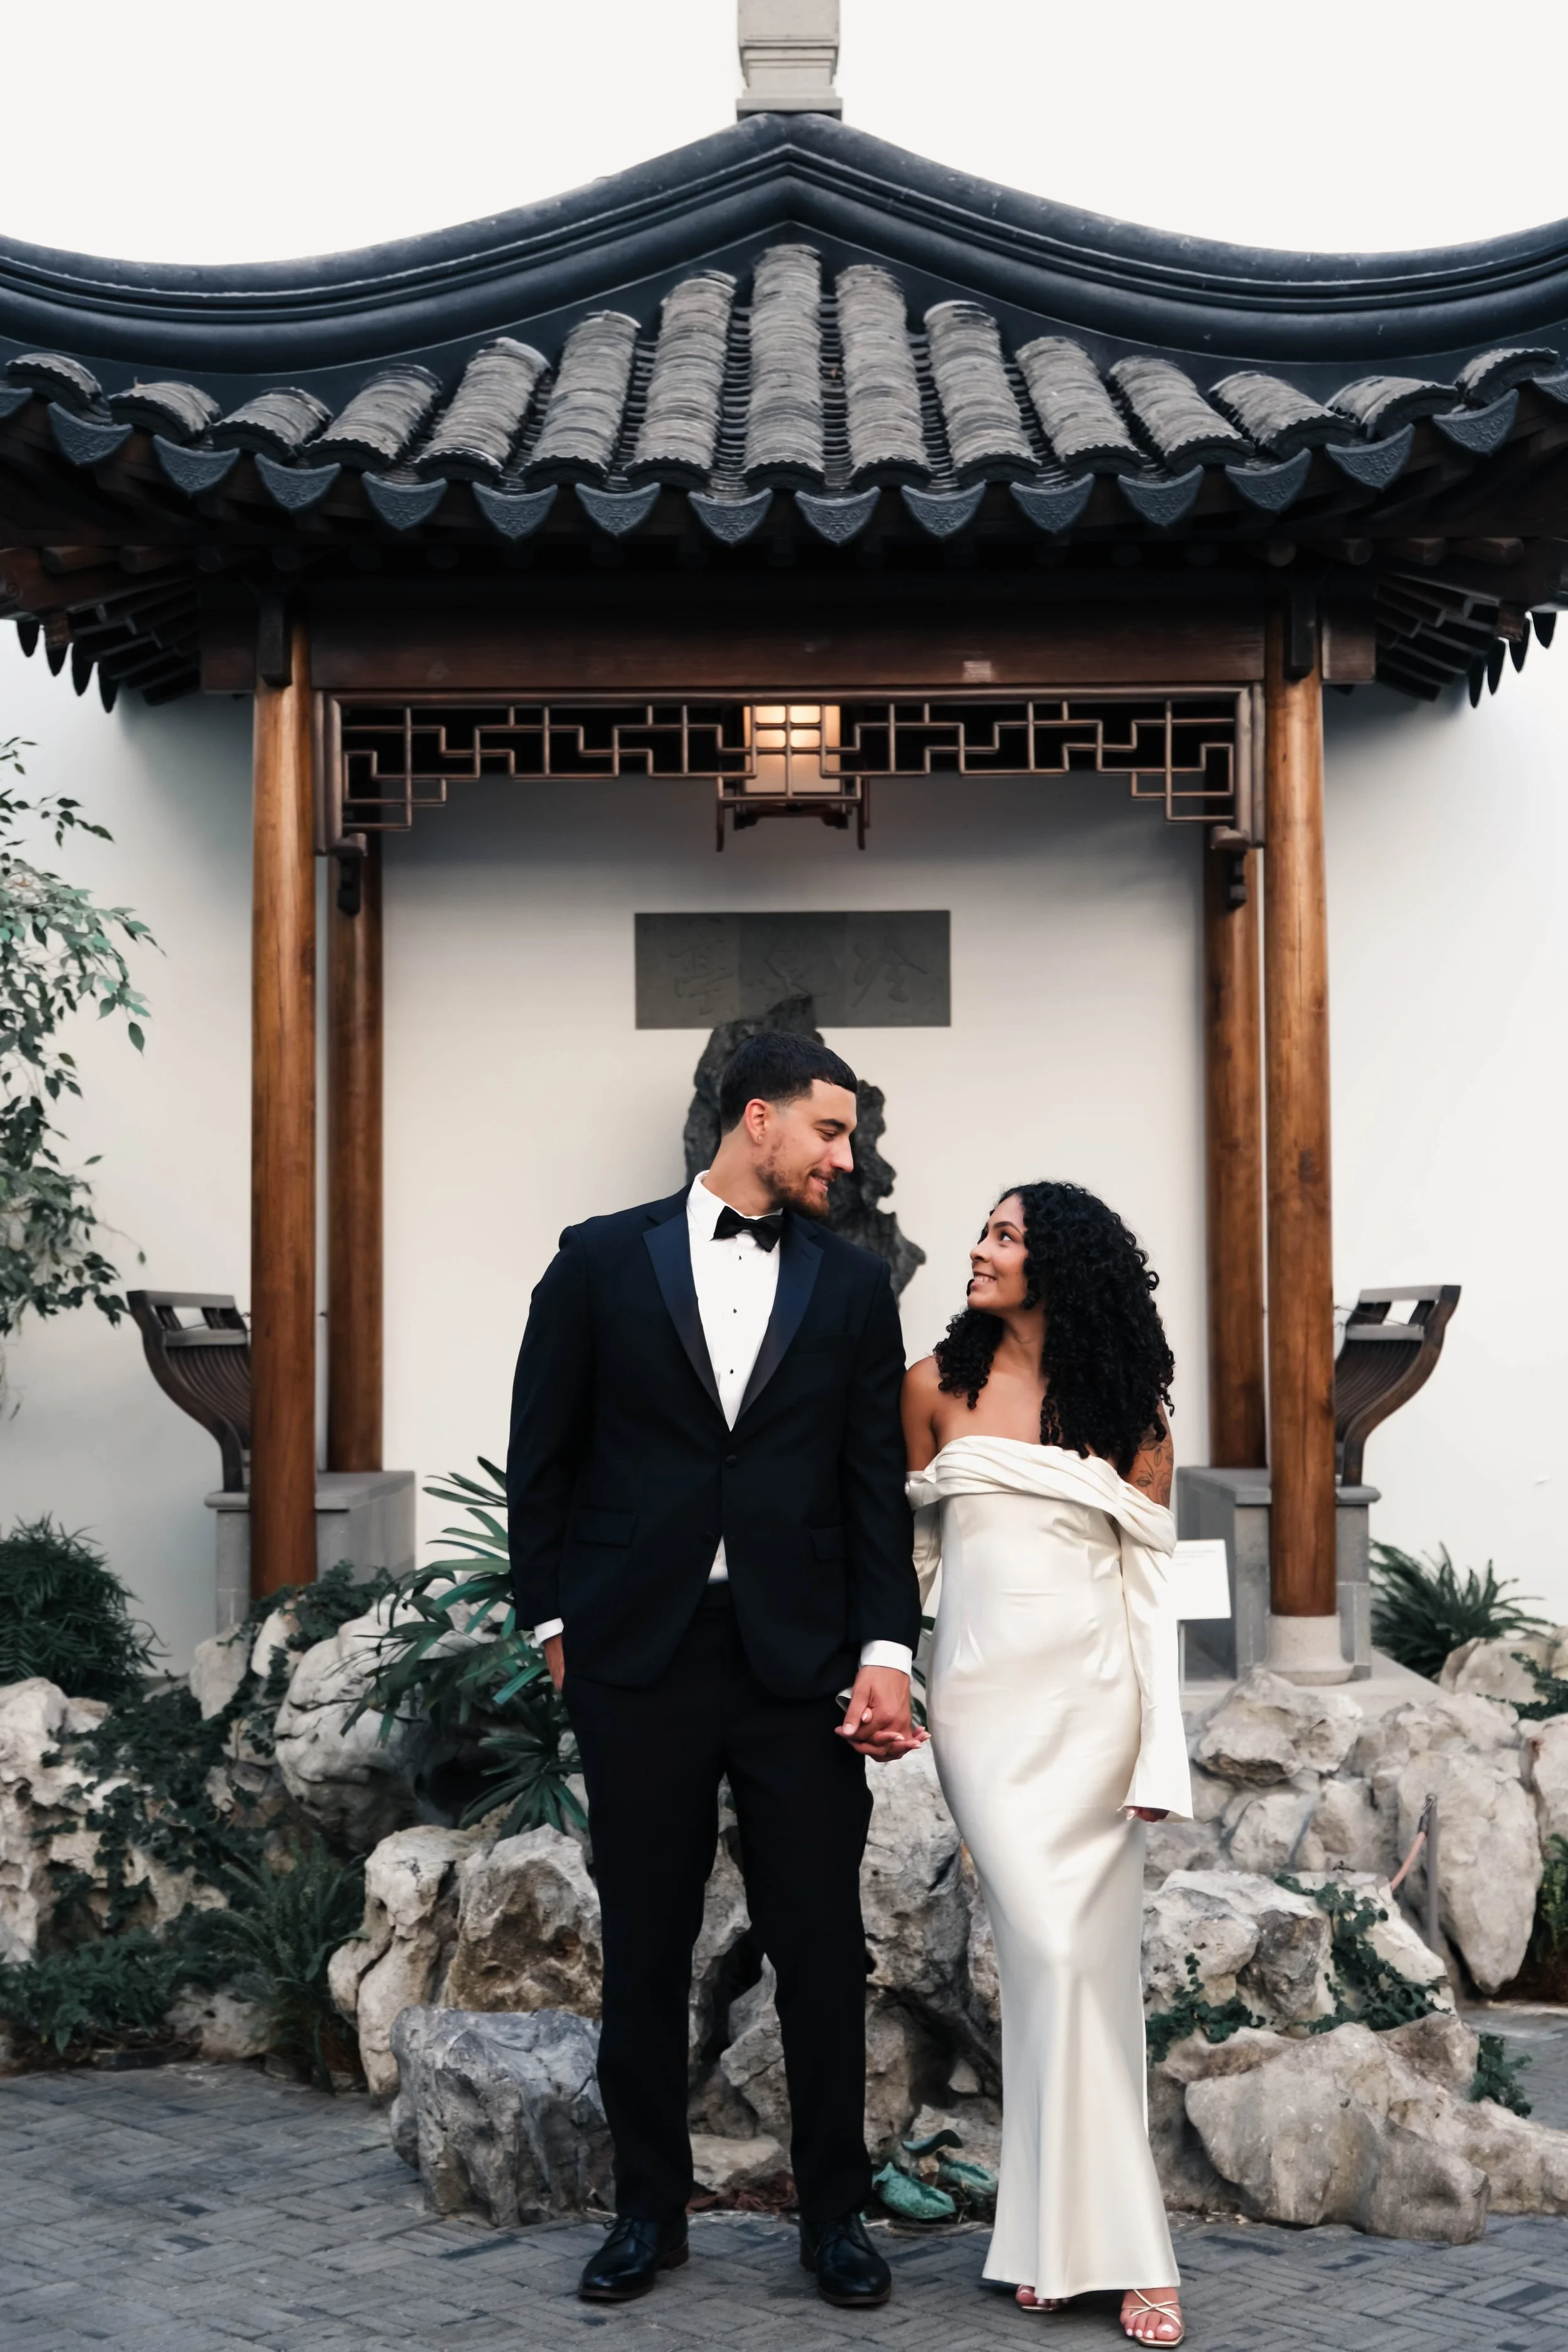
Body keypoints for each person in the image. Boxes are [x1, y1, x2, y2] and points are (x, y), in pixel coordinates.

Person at [507, 1031, 923, 2309]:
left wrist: (884, 1651)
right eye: (828, 1132)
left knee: (821, 1950)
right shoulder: (596, 1259)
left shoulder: (853, 1290)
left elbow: (869, 1488)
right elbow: (544, 1452)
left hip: (800, 1667)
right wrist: (550, 1624)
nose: (843, 1159)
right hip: (638, 1656)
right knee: (643, 1942)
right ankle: (646, 2212)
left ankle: (832, 2220)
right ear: (757, 1121)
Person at [902, 1182, 1192, 2348]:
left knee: (1082, 1968)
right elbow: (902, 1547)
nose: (980, 1248)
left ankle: (1076, 2241)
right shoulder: (933, 1387)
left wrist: (1159, 1743)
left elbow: (1149, 1593)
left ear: (1061, 1264)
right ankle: (1083, 2237)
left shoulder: (1131, 1410)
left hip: (1096, 1712)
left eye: (1007, 1236)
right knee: (1044, 1949)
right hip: (983, 1710)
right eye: (986, 1231)